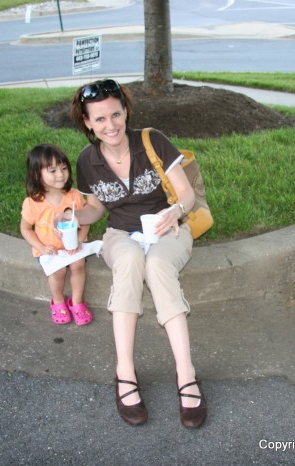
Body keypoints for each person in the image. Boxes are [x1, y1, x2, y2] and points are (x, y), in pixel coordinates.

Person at [65, 79, 206, 427]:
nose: (110, 125)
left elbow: (187, 195)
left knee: (158, 266)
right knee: (128, 262)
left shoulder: (152, 141)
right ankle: (124, 371)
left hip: (169, 229)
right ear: (87, 122)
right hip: (120, 233)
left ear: (126, 111)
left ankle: (186, 374)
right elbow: (96, 209)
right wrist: (73, 217)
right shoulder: (87, 160)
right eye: (99, 119)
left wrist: (174, 212)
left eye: (116, 114)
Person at [20, 143, 93, 326]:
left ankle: (76, 302)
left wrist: (80, 239)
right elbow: (25, 229)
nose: (60, 174)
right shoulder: (33, 203)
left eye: (63, 168)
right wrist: (41, 247)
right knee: (58, 270)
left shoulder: (74, 196)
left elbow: (85, 221)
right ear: (37, 174)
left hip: (72, 246)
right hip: (49, 250)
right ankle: (58, 300)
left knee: (78, 264)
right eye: (52, 170)